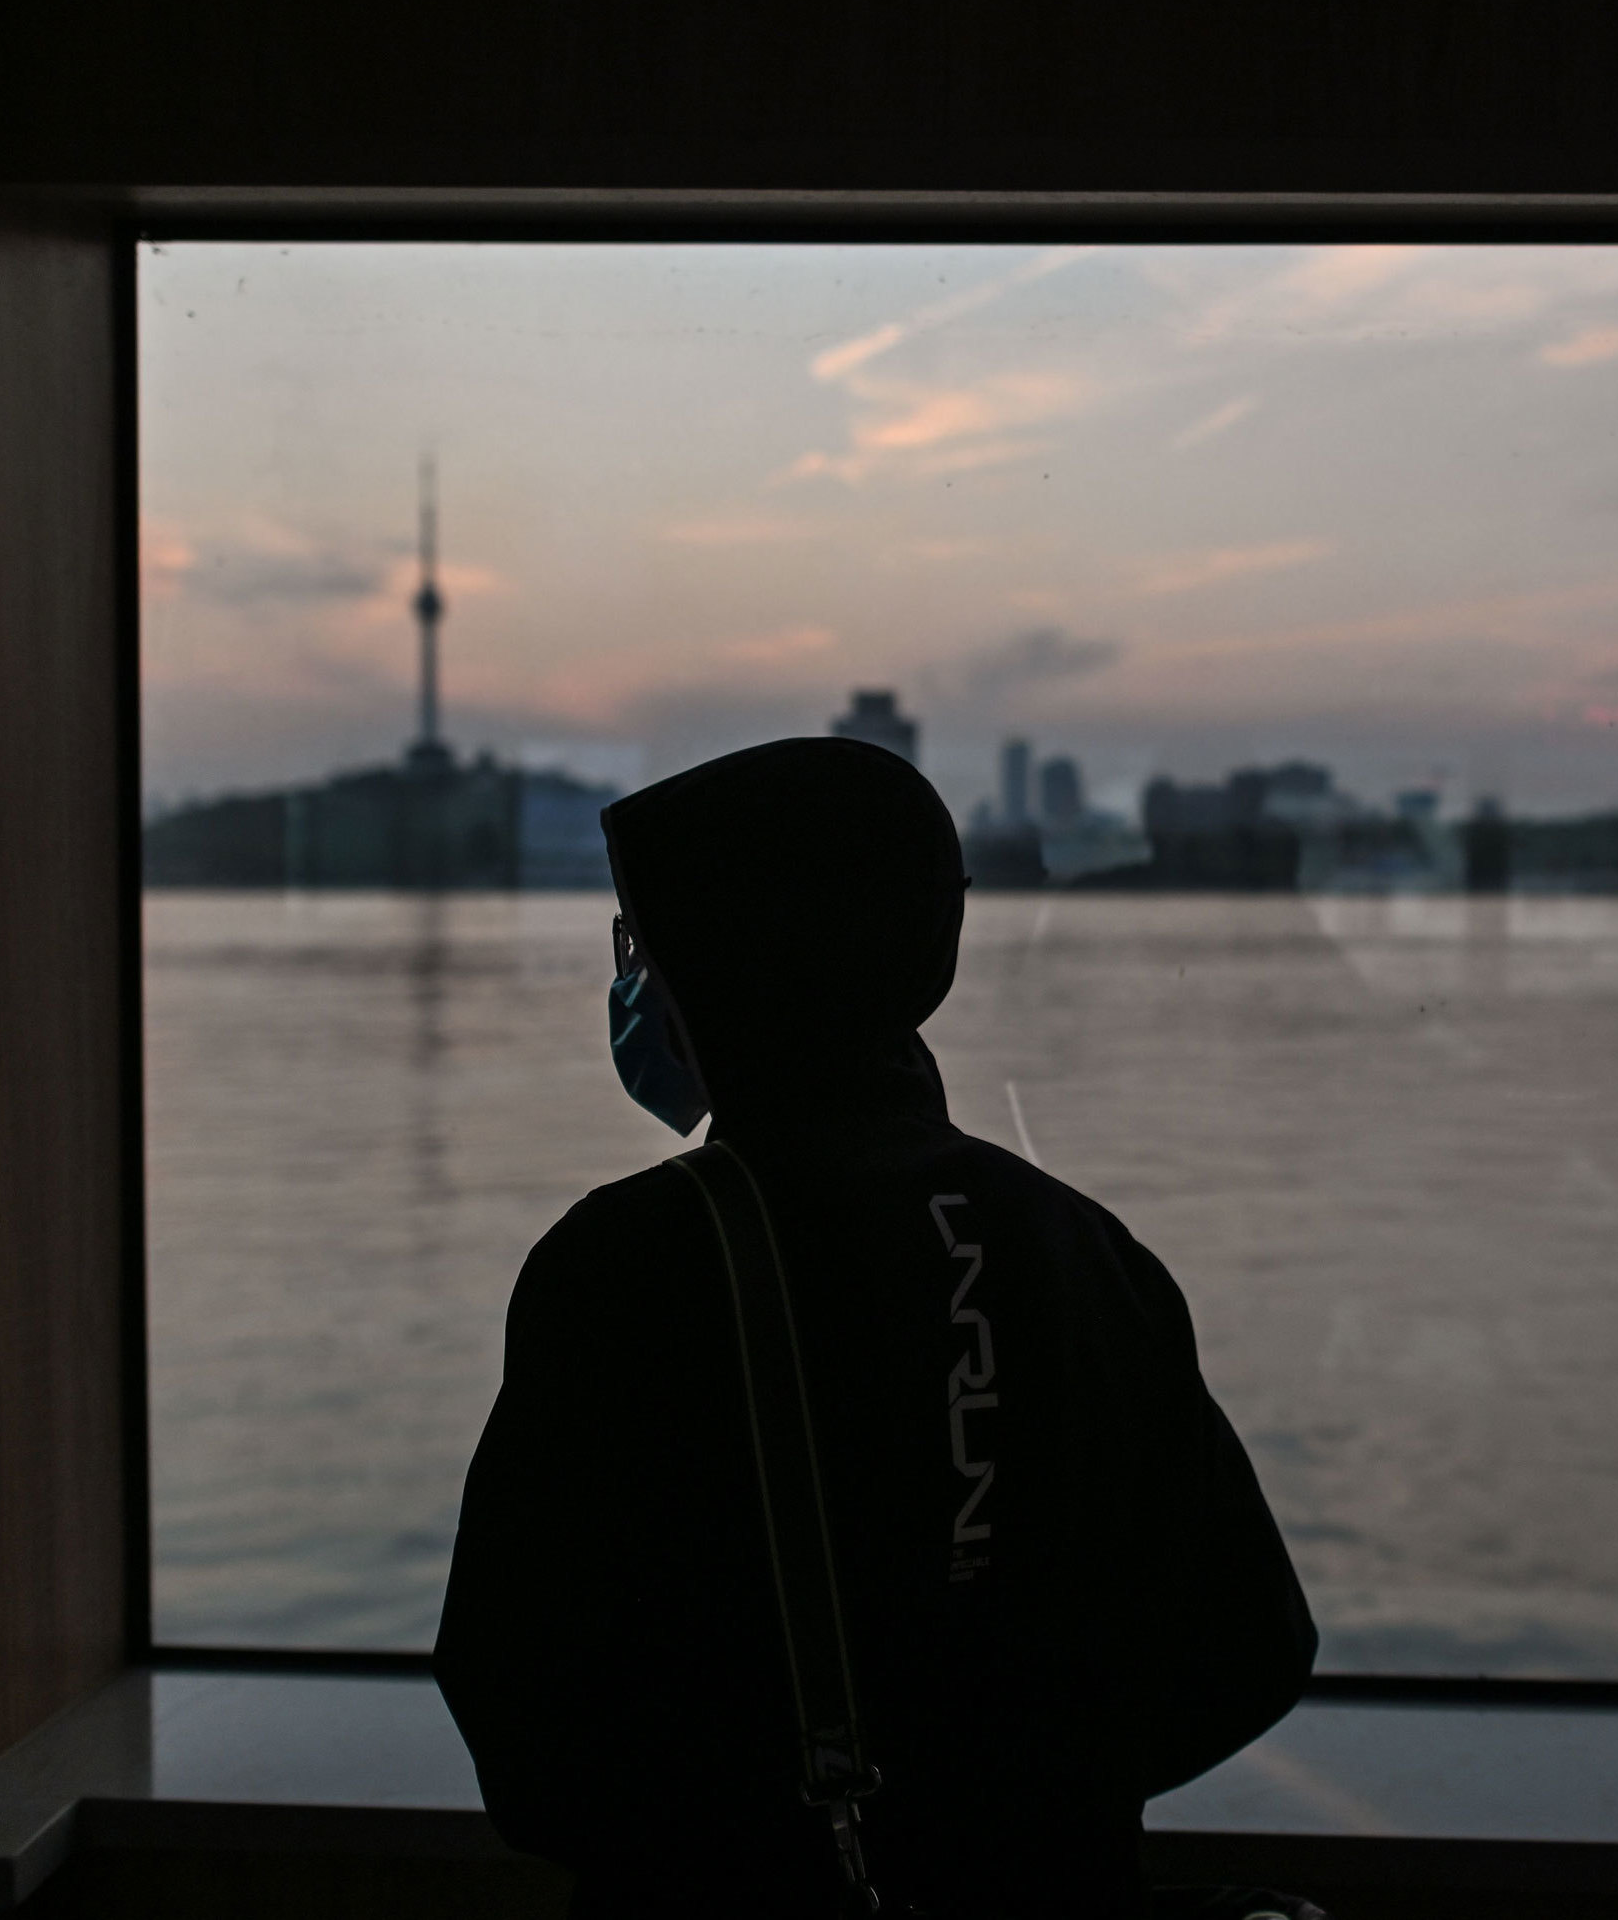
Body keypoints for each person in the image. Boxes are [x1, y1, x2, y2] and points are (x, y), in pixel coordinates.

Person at [434, 735, 1317, 1919]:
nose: (635, 977)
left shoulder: (625, 1270)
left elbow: (524, 1722)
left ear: (724, 955)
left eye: (640, 942)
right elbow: (1252, 1647)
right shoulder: (1081, 1247)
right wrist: (1024, 1802)